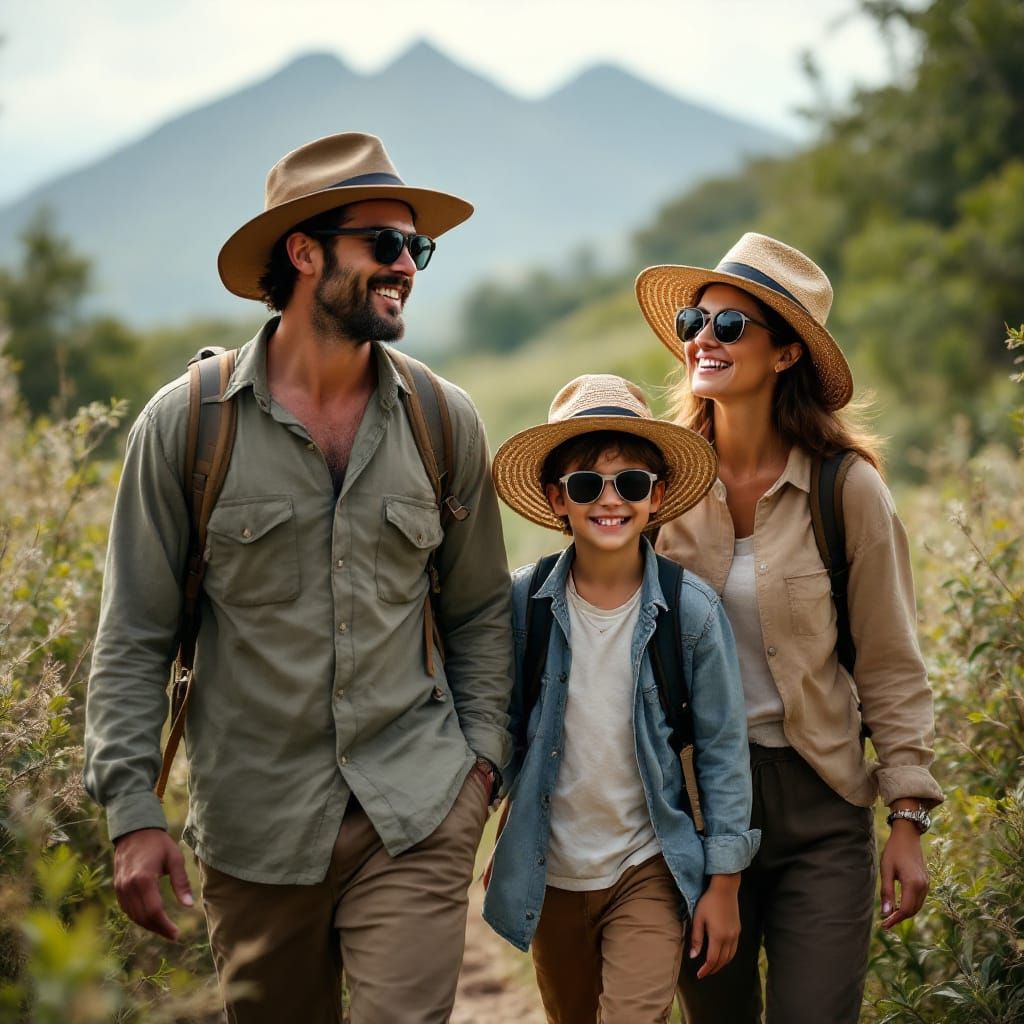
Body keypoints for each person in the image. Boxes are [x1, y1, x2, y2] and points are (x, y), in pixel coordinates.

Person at [83, 132, 513, 1024]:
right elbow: (132, 637)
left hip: (417, 811)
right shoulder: (187, 428)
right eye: (384, 244)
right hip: (255, 829)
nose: (407, 265)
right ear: (305, 252)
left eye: (417, 247)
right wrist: (134, 809)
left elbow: (478, 615)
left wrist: (477, 773)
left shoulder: (443, 420)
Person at [634, 233, 945, 1024]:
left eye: (730, 326)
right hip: (697, 811)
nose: (702, 337)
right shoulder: (654, 490)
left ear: (783, 356)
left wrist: (905, 817)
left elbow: (890, 664)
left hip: (820, 808)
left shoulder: (847, 491)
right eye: (696, 320)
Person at [483, 374, 760, 1024]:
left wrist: (725, 881)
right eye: (586, 485)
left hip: (648, 868)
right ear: (557, 499)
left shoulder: (689, 612)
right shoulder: (524, 606)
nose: (610, 500)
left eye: (631, 483)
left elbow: (723, 750)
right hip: (551, 874)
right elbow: (500, 729)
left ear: (656, 495)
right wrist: (503, 829)